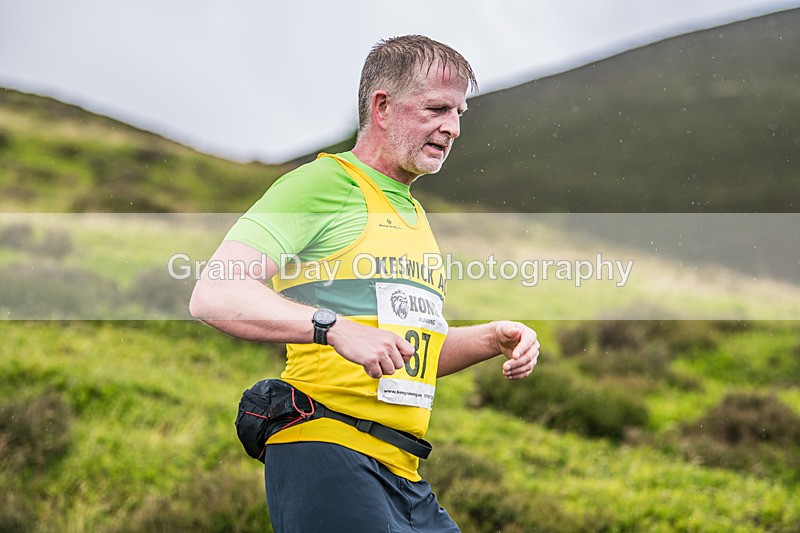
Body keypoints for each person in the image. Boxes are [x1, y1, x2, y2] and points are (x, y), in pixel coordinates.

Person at [189, 34, 540, 532]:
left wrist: (491, 338)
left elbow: (401, 356)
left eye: (460, 112)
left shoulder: (413, 214)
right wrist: (333, 327)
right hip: (324, 446)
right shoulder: (324, 186)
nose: (454, 127)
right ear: (382, 107)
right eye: (437, 108)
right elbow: (214, 293)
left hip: (403, 471)